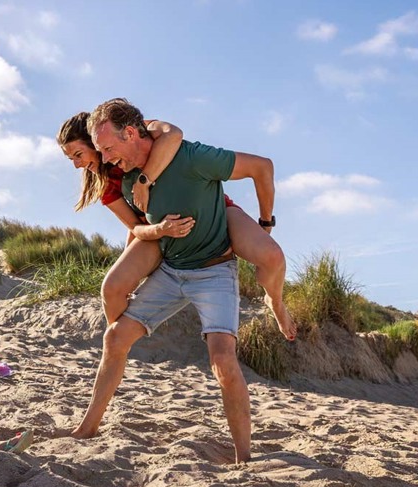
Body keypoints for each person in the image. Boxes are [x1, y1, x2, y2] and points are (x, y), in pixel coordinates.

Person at [74, 98, 275, 463]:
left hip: (213, 271)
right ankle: (87, 428)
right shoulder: (127, 179)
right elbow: (136, 229)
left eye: (106, 149)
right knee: (115, 336)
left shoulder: (189, 156)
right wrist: (154, 236)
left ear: (132, 132)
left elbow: (257, 165)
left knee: (223, 362)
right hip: (170, 268)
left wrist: (265, 222)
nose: (103, 159)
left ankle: (243, 457)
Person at [58, 113, 296, 342]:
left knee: (271, 256)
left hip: (213, 211)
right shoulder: (107, 183)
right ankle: (118, 344)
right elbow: (135, 224)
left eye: (79, 154)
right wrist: (131, 268)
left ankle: (275, 301)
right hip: (159, 229)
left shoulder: (132, 133)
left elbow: (173, 134)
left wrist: (144, 180)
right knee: (113, 287)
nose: (77, 165)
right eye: (72, 159)